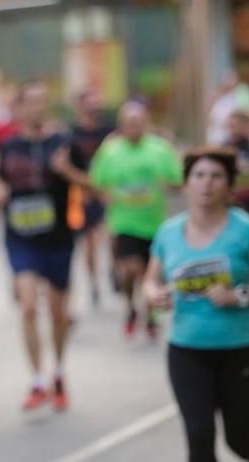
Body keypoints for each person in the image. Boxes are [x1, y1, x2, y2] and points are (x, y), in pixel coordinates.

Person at [144, 147, 249, 462]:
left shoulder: (246, 231)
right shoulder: (168, 232)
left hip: (242, 349)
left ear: (228, 186)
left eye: (216, 176)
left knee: (238, 436)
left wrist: (242, 294)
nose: (206, 184)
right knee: (199, 436)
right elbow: (150, 281)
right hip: (187, 349)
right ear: (187, 183)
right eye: (198, 175)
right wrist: (155, 295)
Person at [0, 81, 88, 411]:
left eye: (42, 102)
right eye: (30, 102)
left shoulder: (63, 143)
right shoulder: (9, 145)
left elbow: (90, 183)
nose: (36, 108)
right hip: (20, 237)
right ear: (19, 108)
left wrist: (66, 170)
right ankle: (36, 380)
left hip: (57, 237)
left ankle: (58, 372)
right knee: (29, 306)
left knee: (58, 312)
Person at [90, 101, 182, 340]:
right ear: (121, 126)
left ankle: (150, 316)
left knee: (149, 274)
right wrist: (105, 196)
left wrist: (168, 184)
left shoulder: (160, 149)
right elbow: (97, 182)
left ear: (147, 123)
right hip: (124, 223)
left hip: (154, 224)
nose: (134, 127)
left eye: (138, 123)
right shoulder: (110, 150)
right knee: (133, 271)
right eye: (129, 123)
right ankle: (131, 306)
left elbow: (177, 179)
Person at [69, 90, 114, 307]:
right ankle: (94, 282)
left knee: (112, 235)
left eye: (95, 104)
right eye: (88, 104)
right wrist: (84, 189)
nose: (92, 109)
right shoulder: (72, 133)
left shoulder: (109, 132)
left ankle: (115, 269)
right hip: (84, 193)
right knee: (90, 241)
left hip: (108, 191)